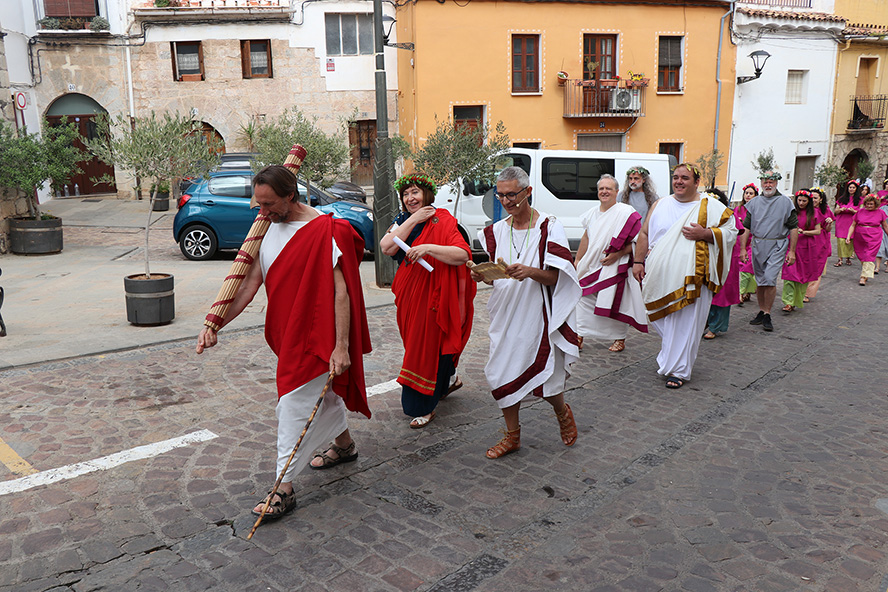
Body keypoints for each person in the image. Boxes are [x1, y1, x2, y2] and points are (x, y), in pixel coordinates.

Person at [196, 165, 372, 519]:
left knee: (293, 401)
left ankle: (283, 489)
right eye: (257, 204)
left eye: (269, 204)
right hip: (287, 332)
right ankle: (345, 445)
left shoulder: (326, 229)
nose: (262, 212)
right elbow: (248, 286)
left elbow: (342, 293)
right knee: (324, 394)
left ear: (291, 195)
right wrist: (216, 324)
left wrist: (341, 346)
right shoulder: (265, 229)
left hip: (316, 336)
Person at [471, 166, 581, 459]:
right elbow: (498, 276)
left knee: (547, 375)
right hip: (505, 314)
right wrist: (484, 276)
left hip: (537, 314)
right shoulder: (495, 231)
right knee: (500, 373)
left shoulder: (549, 226)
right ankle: (512, 437)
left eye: (512, 195)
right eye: (501, 195)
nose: (506, 201)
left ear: (527, 192)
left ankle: (562, 412)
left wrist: (531, 271)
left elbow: (559, 278)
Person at [379, 173, 476, 429]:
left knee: (426, 347)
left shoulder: (441, 219)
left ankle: (422, 405)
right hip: (409, 297)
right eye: (406, 194)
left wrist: (429, 248)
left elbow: (461, 254)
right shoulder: (403, 221)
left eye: (415, 192)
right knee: (415, 344)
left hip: (434, 297)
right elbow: (387, 246)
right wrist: (413, 219)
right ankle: (447, 381)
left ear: (427, 195)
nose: (411, 198)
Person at [633, 164, 738, 388]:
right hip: (658, 274)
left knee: (687, 323)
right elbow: (644, 233)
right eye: (676, 177)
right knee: (661, 318)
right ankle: (671, 357)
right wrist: (638, 261)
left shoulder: (711, 206)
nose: (679, 182)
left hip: (695, 276)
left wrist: (705, 233)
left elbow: (732, 232)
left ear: (696, 182)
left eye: (685, 178)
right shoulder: (661, 204)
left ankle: (679, 370)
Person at [574, 174, 647, 352]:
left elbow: (638, 241)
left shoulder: (626, 213)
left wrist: (618, 254)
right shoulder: (591, 214)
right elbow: (586, 237)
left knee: (615, 301)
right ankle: (579, 335)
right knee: (581, 297)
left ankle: (619, 338)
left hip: (614, 266)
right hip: (591, 264)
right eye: (601, 189)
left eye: (608, 188)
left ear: (616, 192)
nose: (604, 192)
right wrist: (577, 259)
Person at [739, 170, 798, 332]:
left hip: (777, 245)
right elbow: (746, 227)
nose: (768, 184)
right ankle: (761, 310)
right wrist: (743, 248)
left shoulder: (785, 203)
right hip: (758, 245)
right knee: (760, 280)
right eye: (765, 181)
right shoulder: (755, 202)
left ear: (776, 183)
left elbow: (793, 227)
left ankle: (767, 313)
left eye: (771, 182)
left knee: (770, 278)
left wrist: (792, 251)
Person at [703, 188, 745, 339]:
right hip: (706, 259)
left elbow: (735, 235)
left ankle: (715, 326)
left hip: (725, 259)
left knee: (721, 294)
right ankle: (705, 322)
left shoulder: (729, 216)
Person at [780, 190, 821, 313]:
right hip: (792, 245)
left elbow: (818, 231)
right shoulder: (791, 212)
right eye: (799, 200)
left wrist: (804, 232)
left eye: (804, 201)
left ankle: (796, 300)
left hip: (807, 247)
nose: (801, 203)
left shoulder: (814, 214)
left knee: (803, 275)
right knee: (789, 274)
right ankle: (788, 301)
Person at [846, 193, 888, 286]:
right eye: (867, 204)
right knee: (861, 255)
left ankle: (863, 277)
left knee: (869, 255)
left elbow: (885, 226)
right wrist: (848, 236)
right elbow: (853, 225)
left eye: (871, 204)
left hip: (874, 236)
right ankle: (867, 271)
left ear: (876, 204)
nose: (869, 206)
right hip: (860, 236)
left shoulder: (881, 212)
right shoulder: (859, 212)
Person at [805, 188, 834, 302]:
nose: (813, 200)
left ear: (821, 199)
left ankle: (808, 293)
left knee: (816, 266)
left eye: (816, 198)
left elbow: (828, 229)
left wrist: (829, 223)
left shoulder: (825, 210)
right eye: (811, 198)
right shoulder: (805, 209)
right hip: (806, 238)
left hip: (820, 240)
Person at [736, 183, 758, 305]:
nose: (748, 195)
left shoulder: (757, 210)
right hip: (740, 243)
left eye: (751, 193)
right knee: (742, 269)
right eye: (746, 193)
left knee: (747, 269)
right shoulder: (738, 209)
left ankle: (741, 292)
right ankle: (745, 292)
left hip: (753, 243)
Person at [834, 180, 861, 267]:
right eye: (850, 187)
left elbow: (862, 212)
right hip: (841, 221)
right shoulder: (842, 199)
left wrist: (854, 211)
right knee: (841, 240)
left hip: (852, 222)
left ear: (856, 189)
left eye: (853, 187)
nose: (851, 189)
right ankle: (840, 259)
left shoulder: (860, 200)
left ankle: (848, 257)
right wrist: (840, 210)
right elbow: (835, 211)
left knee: (850, 240)